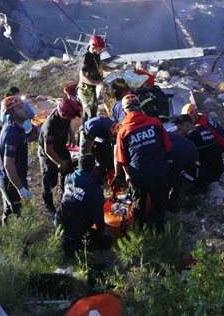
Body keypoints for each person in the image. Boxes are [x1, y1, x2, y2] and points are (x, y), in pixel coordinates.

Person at [114, 93, 171, 232]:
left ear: (124, 110)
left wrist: (127, 175)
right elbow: (167, 147)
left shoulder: (123, 131)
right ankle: (159, 231)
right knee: (159, 204)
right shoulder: (155, 123)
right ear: (140, 106)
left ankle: (139, 231)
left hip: (138, 174)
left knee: (139, 204)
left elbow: (121, 159)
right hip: (159, 171)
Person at [54, 153, 112, 257]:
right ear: (93, 168)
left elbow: (68, 198)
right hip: (76, 231)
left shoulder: (68, 178)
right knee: (108, 241)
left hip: (60, 224)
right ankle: (76, 245)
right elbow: (99, 217)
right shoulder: (95, 190)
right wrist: (103, 231)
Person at [38, 97, 83, 218]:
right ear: (63, 115)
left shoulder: (66, 114)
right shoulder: (50, 126)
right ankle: (49, 206)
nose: (72, 119)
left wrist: (71, 134)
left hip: (60, 146)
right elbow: (48, 149)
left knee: (68, 172)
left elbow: (68, 123)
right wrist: (58, 163)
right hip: (49, 152)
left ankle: (67, 198)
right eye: (70, 117)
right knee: (49, 180)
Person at [0, 96, 33, 223]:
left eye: (23, 106)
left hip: (15, 178)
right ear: (11, 113)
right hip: (10, 181)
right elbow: (8, 164)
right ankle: (20, 241)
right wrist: (20, 189)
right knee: (18, 214)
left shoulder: (18, 128)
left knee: (9, 209)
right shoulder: (11, 134)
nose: (25, 110)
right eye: (19, 108)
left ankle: (5, 233)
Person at [174, 114, 224, 194]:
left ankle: (200, 186)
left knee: (178, 167)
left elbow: (179, 151)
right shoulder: (203, 128)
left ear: (186, 126)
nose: (179, 131)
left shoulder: (191, 136)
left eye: (179, 128)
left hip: (210, 174)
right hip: (219, 169)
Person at [78, 35, 116, 122]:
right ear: (93, 47)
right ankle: (90, 132)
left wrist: (113, 70)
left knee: (87, 114)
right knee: (92, 114)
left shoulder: (96, 55)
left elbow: (101, 65)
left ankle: (84, 131)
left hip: (93, 88)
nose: (101, 50)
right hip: (86, 91)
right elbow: (82, 77)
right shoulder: (86, 58)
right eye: (99, 49)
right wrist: (98, 83)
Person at [166, 130, 198, 212]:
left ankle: (170, 205)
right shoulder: (163, 132)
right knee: (180, 175)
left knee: (171, 180)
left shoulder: (154, 141)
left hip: (179, 156)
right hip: (192, 149)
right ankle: (194, 181)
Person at [81, 115, 118, 184]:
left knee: (108, 156)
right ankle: (89, 180)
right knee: (85, 158)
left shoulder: (117, 129)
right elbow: (87, 149)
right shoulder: (94, 128)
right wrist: (92, 165)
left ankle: (106, 175)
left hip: (102, 134)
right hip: (88, 131)